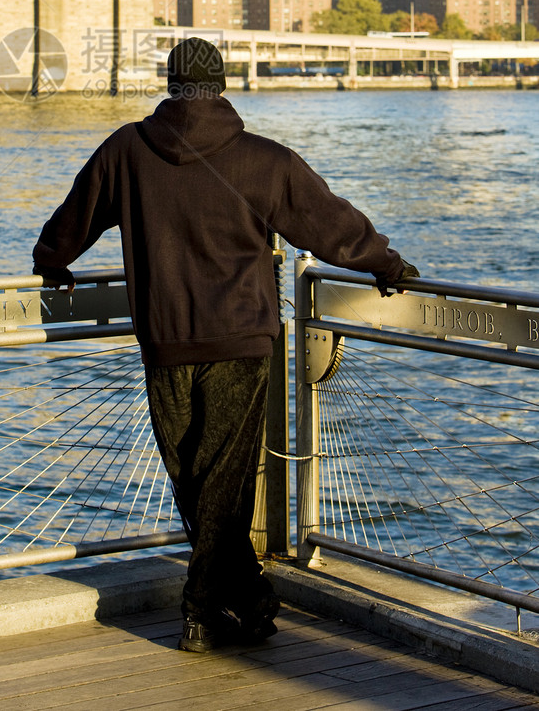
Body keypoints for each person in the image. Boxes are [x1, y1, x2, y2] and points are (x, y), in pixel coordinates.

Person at [32, 37, 417, 655]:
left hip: (163, 336)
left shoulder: (127, 150)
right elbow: (327, 222)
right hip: (241, 338)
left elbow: (76, 214)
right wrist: (386, 263)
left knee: (195, 475)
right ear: (222, 84)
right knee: (218, 477)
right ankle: (213, 607)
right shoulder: (263, 160)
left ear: (170, 81)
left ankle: (236, 600)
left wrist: (52, 260)